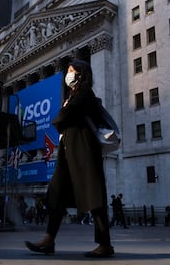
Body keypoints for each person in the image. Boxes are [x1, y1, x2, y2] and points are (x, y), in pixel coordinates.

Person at [25, 60, 114, 258]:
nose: (68, 74)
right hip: (67, 153)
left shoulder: (85, 94)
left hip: (84, 154)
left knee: (94, 198)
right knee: (56, 194)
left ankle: (105, 244)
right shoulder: (73, 95)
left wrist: (62, 113)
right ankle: (49, 239)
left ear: (81, 74)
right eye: (67, 71)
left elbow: (65, 116)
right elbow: (66, 116)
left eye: (71, 71)